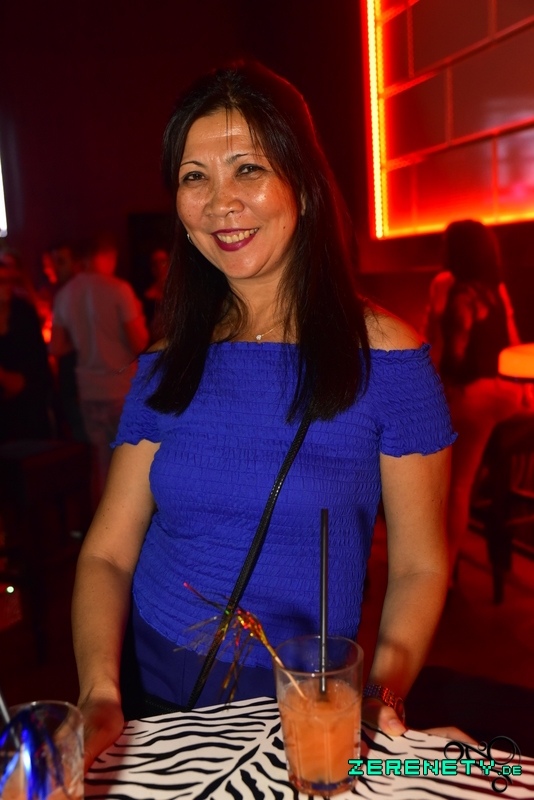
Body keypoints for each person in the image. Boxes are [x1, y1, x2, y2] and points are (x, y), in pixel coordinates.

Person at [72, 62, 455, 772]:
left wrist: (379, 692)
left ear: (302, 185)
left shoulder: (389, 360)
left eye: (247, 168)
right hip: (151, 682)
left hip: (301, 697)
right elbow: (107, 551)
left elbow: (421, 565)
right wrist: (99, 690)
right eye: (195, 177)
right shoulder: (168, 358)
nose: (221, 202)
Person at [435, 220, 531, 583]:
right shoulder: (496, 291)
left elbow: (454, 361)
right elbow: (511, 344)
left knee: (455, 487)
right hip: (507, 394)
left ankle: (442, 576)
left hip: (476, 398)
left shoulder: (460, 294)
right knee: (467, 468)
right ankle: (486, 479)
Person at [50, 235, 148, 504]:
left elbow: (57, 346)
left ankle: (101, 522)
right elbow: (139, 342)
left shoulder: (66, 293)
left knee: (101, 463)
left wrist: (84, 340)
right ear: (106, 257)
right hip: (121, 388)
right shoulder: (118, 289)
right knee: (130, 464)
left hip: (89, 389)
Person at [0, 260, 53, 442]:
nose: (7, 286)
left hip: (28, 407)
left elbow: (38, 362)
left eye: (10, 281)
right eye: (2, 281)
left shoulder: (23, 313)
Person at [142, 247, 170, 343]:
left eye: (163, 262)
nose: (159, 267)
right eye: (155, 263)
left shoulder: (180, 292)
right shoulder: (147, 297)